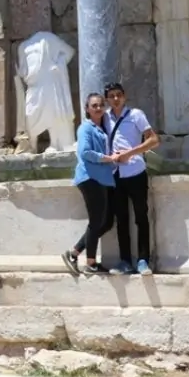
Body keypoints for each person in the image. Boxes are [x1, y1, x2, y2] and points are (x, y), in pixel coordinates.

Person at [102, 82, 160, 276]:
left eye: (119, 95)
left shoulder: (136, 115)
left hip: (135, 171)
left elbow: (153, 140)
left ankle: (143, 260)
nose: (116, 99)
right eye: (111, 96)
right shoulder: (105, 118)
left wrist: (130, 153)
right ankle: (125, 260)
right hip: (115, 173)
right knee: (122, 218)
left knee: (141, 216)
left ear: (124, 96)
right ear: (107, 99)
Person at [61, 94, 120, 275]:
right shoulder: (85, 127)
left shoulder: (101, 129)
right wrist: (108, 158)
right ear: (87, 109)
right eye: (94, 105)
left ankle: (74, 252)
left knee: (107, 221)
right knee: (96, 221)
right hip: (90, 178)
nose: (98, 108)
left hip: (103, 179)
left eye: (101, 105)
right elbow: (85, 152)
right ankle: (91, 262)